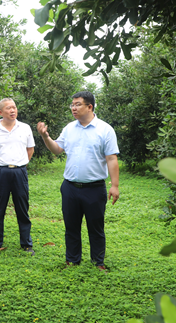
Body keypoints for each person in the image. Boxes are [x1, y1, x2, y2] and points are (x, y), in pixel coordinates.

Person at [36, 91, 119, 271]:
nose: (73, 108)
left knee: (95, 227)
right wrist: (45, 136)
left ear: (90, 107)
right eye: (72, 104)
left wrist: (114, 185)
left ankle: (98, 262)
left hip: (95, 188)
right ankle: (72, 260)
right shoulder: (69, 128)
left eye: (78, 104)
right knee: (71, 226)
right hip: (70, 187)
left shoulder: (105, 130)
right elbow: (57, 149)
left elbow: (111, 158)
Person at [0, 98, 35, 256]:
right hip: (0, 173)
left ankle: (26, 244)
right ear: (0, 112)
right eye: (8, 108)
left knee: (22, 209)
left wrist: (21, 164)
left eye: (14, 107)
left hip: (19, 172)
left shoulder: (25, 128)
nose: (12, 110)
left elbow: (30, 149)